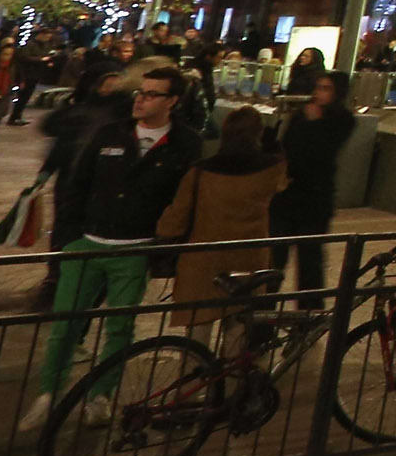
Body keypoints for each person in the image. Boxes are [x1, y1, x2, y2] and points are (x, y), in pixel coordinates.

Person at [21, 69, 199, 433]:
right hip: (87, 244)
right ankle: (47, 394)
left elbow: (184, 199)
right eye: (141, 92)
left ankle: (100, 396)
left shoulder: (185, 143)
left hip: (134, 250)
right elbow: (77, 183)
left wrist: (162, 250)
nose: (141, 98)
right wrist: (70, 238)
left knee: (119, 328)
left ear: (172, 102)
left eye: (152, 94)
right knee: (66, 325)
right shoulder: (111, 132)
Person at [156, 107, 285, 324]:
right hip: (248, 258)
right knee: (238, 324)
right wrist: (274, 150)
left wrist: (162, 234)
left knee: (199, 326)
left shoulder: (200, 173)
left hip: (202, 259)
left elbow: (176, 218)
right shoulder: (271, 170)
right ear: (258, 134)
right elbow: (286, 183)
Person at [269, 70, 356, 301]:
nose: (319, 93)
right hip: (287, 197)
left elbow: (323, 153)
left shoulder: (342, 119)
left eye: (326, 89)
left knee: (310, 260)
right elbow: (287, 148)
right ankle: (262, 318)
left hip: (315, 200)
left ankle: (308, 317)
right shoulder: (300, 115)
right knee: (274, 260)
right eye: (318, 87)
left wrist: (313, 123)